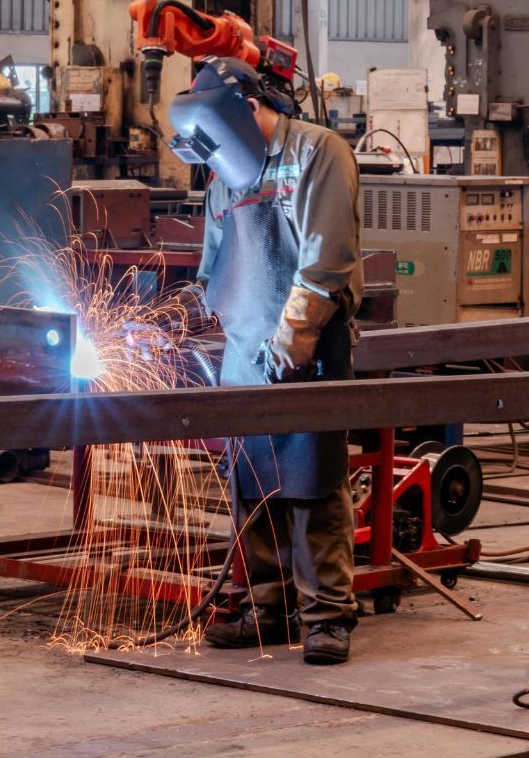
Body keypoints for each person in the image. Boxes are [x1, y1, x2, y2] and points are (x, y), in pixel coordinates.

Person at [171, 56, 363, 666]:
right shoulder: (227, 169)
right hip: (243, 350)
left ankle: (327, 615)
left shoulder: (318, 152)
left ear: (249, 108)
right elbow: (215, 261)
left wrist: (293, 341)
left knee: (311, 484)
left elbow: (325, 259)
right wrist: (184, 317)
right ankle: (266, 603)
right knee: (251, 484)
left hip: (306, 344)